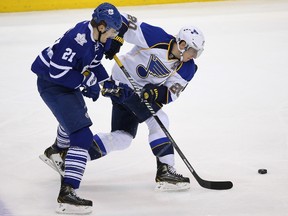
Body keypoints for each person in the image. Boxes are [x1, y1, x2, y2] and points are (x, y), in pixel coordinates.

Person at [89, 13, 205, 191]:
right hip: (121, 84)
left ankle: (75, 156)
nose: (194, 56)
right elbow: (122, 19)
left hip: (135, 94)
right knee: (160, 121)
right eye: (192, 51)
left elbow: (171, 93)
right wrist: (118, 38)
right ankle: (165, 171)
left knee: (123, 137)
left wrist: (155, 93)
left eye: (197, 52)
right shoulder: (156, 37)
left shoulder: (188, 68)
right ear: (182, 45)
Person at [31, 2, 122, 214]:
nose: (112, 35)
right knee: (81, 135)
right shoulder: (76, 40)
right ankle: (67, 194)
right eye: (111, 31)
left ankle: (56, 151)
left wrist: (104, 81)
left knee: (75, 119)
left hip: (66, 81)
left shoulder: (97, 38)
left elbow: (94, 62)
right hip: (53, 85)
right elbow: (58, 74)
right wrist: (86, 81)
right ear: (100, 26)